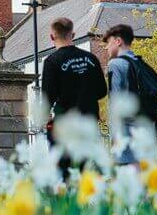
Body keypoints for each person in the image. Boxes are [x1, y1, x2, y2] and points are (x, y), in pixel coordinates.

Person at [42, 17, 108, 176]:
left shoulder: (52, 61)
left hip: (65, 124)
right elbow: (102, 91)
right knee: (89, 171)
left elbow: (47, 98)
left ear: (52, 37)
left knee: (65, 172)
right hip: (88, 122)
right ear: (73, 34)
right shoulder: (91, 59)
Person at [104, 24, 157, 134]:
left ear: (118, 41)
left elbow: (116, 101)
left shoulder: (115, 64)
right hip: (148, 127)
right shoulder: (142, 64)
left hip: (128, 129)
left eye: (108, 42)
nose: (106, 47)